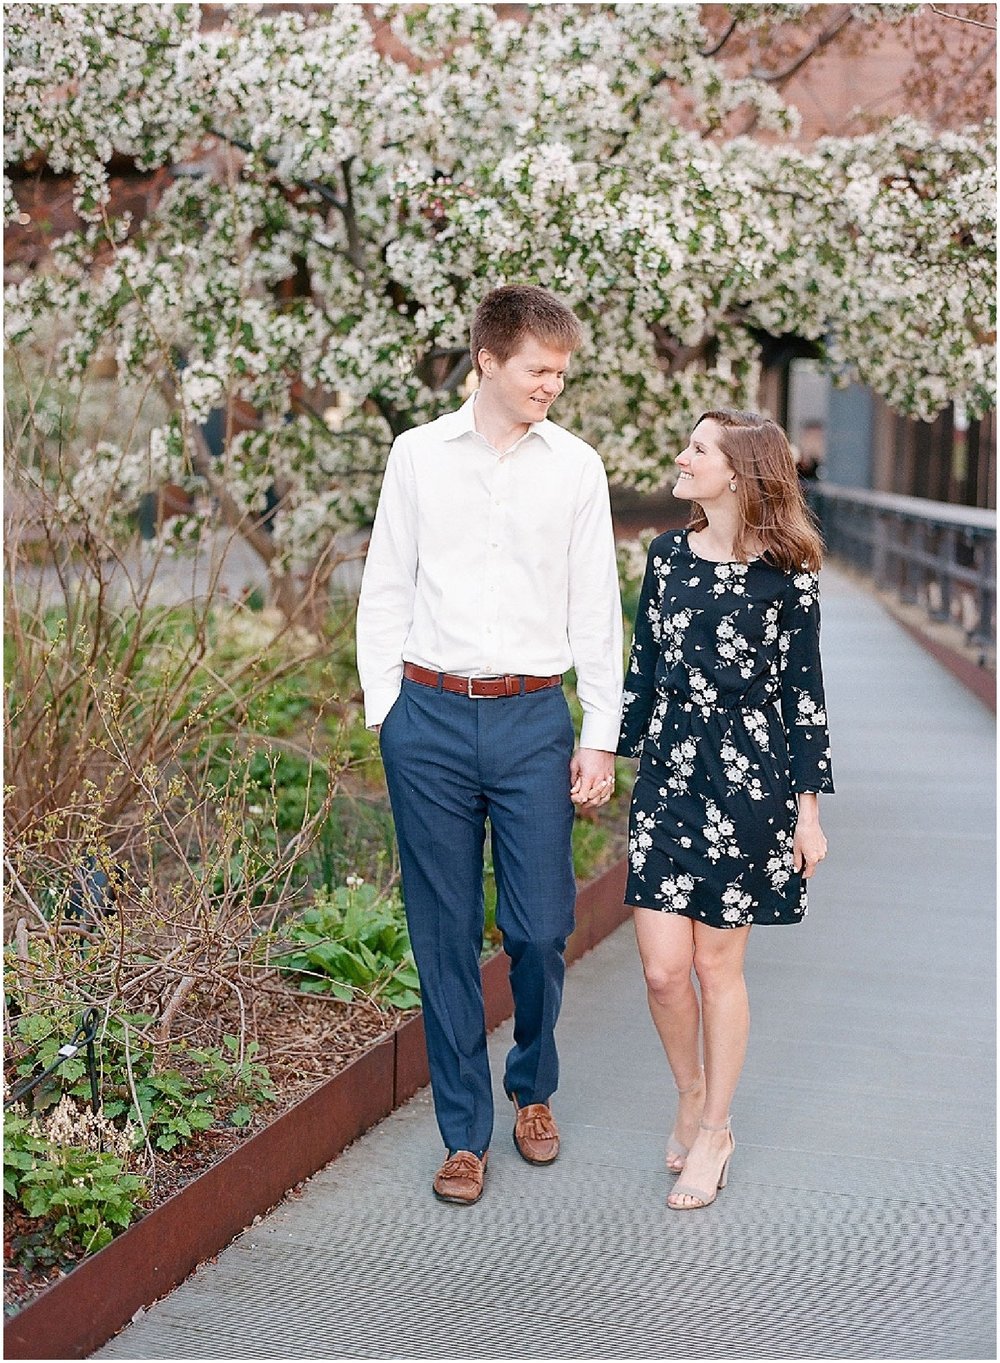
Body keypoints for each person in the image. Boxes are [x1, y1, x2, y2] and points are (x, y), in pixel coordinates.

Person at [356, 285, 623, 1206]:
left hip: (531, 719)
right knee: (442, 935)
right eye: (539, 369)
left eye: (560, 371)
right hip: (426, 716)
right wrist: (385, 711)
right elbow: (386, 584)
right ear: (488, 362)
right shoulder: (418, 456)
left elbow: (596, 606)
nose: (554, 383)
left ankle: (533, 1086)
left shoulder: (575, 467)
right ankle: (463, 1134)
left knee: (542, 927)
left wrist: (599, 735)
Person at [617, 408, 833, 1211]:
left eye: (697, 448)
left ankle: (715, 1128)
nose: (681, 455)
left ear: (739, 473)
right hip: (669, 778)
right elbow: (643, 669)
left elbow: (804, 700)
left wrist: (807, 814)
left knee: (717, 968)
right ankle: (689, 1090)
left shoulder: (789, 577)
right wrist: (605, 759)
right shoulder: (667, 557)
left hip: (749, 787)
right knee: (663, 970)